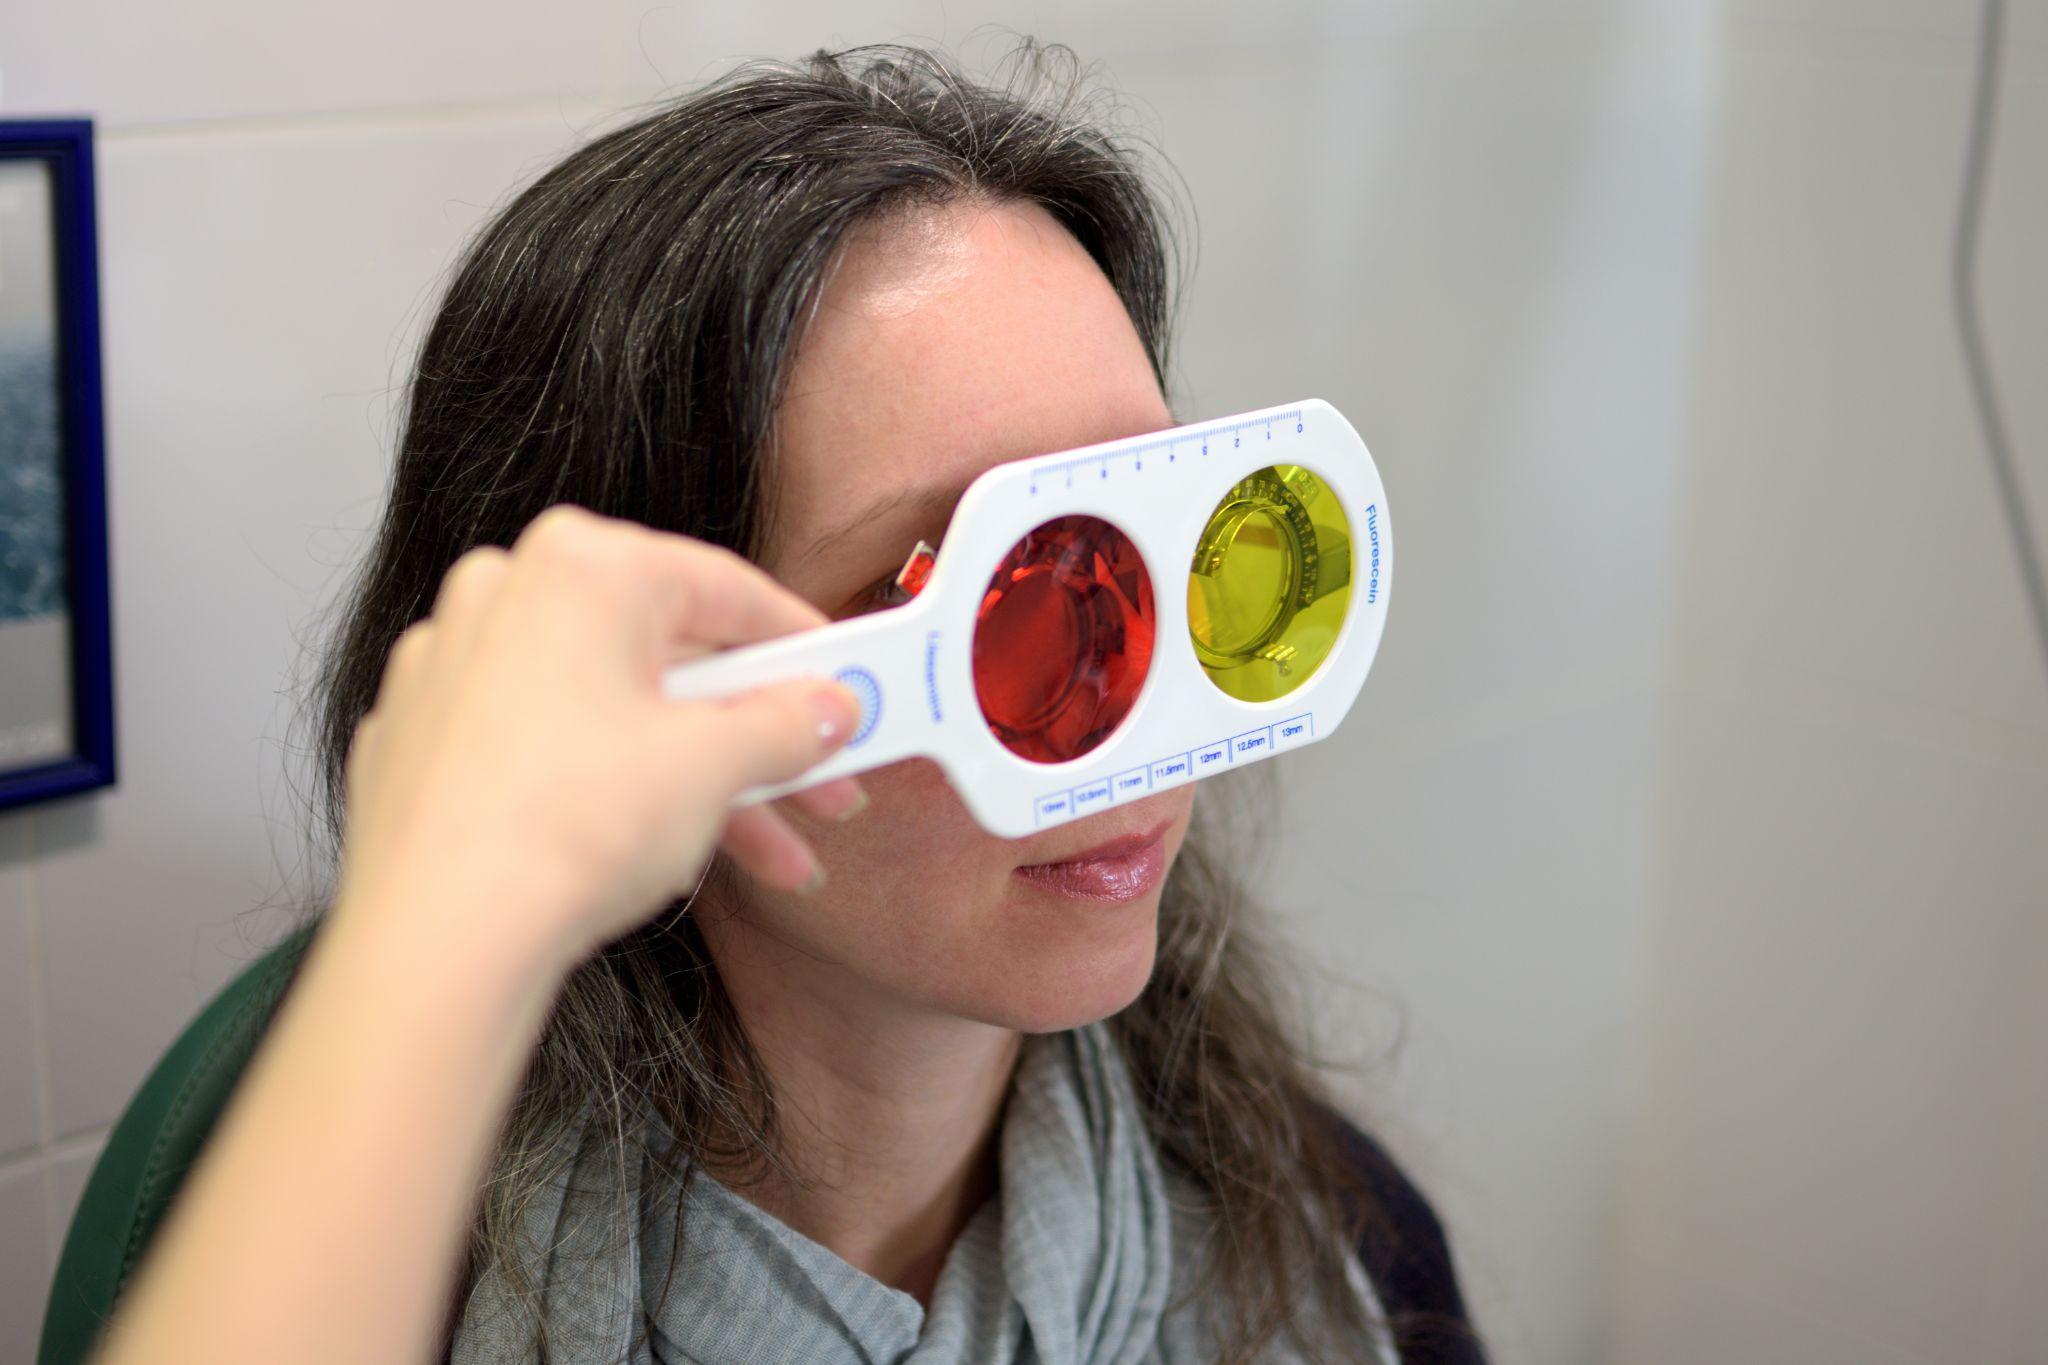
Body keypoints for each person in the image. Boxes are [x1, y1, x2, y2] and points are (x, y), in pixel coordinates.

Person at [90, 41, 1486, 1365]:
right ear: (658, 706)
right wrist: (449, 917)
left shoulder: (1337, 1255)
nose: (1129, 722)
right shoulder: (362, 1280)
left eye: (1161, 542)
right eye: (1001, 599)